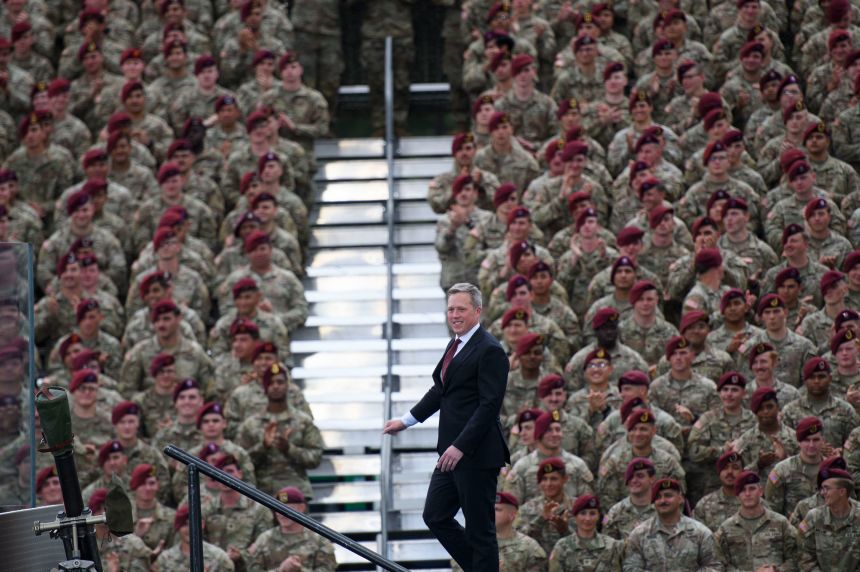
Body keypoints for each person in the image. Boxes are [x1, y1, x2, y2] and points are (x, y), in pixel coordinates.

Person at [383, 282, 510, 571]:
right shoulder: (455, 343)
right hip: (450, 453)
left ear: (477, 311)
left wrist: (460, 446)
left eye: (461, 309)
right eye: (451, 309)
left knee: (480, 531)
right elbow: (441, 389)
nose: (454, 314)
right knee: (435, 515)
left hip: (475, 455)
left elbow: (489, 406)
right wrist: (406, 420)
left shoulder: (489, 350)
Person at [622, 478, 719, 571]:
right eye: (658, 497)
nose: (663, 501)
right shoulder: (639, 534)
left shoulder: (700, 532)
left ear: (680, 499)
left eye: (668, 495)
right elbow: (630, 567)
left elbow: (715, 566)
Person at [714, 470, 799, 570]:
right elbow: (720, 563)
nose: (747, 494)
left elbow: (798, 556)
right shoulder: (726, 528)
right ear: (737, 495)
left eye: (752, 489)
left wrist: (776, 570)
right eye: (742, 490)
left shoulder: (780, 523)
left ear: (761, 491)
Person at [548, 493, 624, 571]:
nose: (587, 518)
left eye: (592, 513)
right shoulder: (562, 547)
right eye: (583, 513)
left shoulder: (611, 546)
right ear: (575, 516)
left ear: (598, 516)